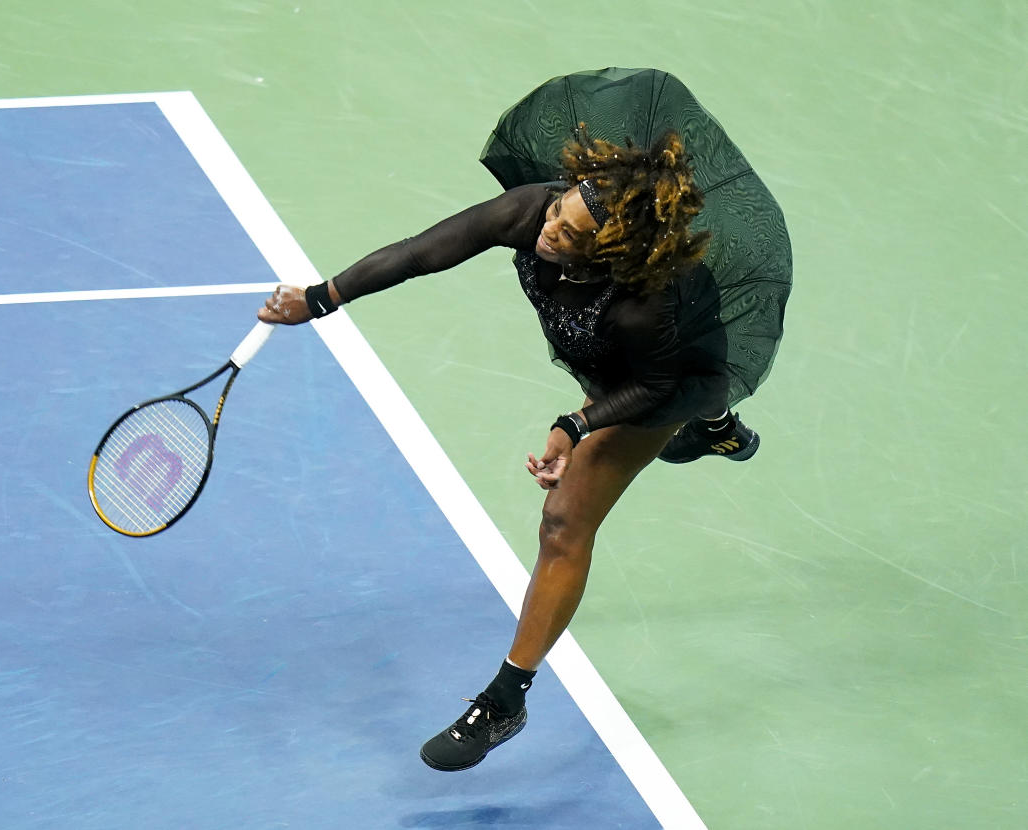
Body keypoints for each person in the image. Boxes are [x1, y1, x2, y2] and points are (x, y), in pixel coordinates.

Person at [257, 94, 789, 771]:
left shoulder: (646, 304)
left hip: (659, 378)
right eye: (558, 213)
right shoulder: (535, 209)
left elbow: (653, 385)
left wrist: (576, 424)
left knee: (564, 524)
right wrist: (324, 296)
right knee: (610, 395)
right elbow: (426, 251)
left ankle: (505, 701)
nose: (551, 233)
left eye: (571, 235)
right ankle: (718, 430)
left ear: (612, 250)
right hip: (604, 358)